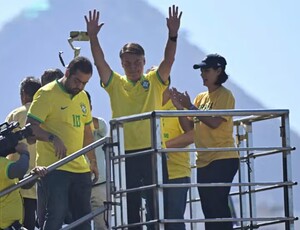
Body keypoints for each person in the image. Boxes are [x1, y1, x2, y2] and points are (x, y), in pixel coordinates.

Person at [85, 5, 182, 229]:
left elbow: (169, 60)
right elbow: (100, 63)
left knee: (157, 203)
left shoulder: (155, 81)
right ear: (122, 64)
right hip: (126, 153)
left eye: (137, 62)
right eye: (128, 63)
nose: (133, 67)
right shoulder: (116, 84)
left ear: (144, 62)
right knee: (130, 205)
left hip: (153, 151)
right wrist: (93, 38)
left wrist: (173, 34)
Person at [26, 56, 99, 230]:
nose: (80, 86)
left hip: (80, 170)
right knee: (54, 217)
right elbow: (30, 128)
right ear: (67, 73)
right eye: (77, 81)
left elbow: (87, 132)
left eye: (84, 83)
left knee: (83, 220)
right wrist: (52, 137)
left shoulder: (82, 97)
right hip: (54, 168)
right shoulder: (46, 93)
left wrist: (93, 161)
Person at [170, 54, 239, 230]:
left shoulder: (225, 95)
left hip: (222, 158)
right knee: (208, 207)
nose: (202, 74)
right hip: (204, 160)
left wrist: (191, 107)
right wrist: (180, 108)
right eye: (202, 70)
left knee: (218, 204)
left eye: (206, 70)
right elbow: (189, 128)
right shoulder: (201, 98)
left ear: (219, 71)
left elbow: (215, 122)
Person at [5, 77, 41, 230]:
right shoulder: (44, 113)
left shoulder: (16, 114)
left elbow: (4, 144)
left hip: (18, 183)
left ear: (24, 94)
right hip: (41, 182)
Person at [36, 68, 64, 228]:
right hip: (47, 170)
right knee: (49, 218)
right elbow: (32, 137)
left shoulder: (74, 99)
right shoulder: (40, 103)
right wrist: (53, 138)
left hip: (71, 168)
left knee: (72, 218)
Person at [0, 142, 47, 230]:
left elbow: (23, 184)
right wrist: (24, 153)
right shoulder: (2, 164)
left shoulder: (7, 165)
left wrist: (33, 175)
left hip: (12, 225)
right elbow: (20, 169)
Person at [85, 90, 109, 230]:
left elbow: (103, 128)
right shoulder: (69, 126)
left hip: (99, 185)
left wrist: (81, 114)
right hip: (78, 185)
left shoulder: (99, 124)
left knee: (102, 226)